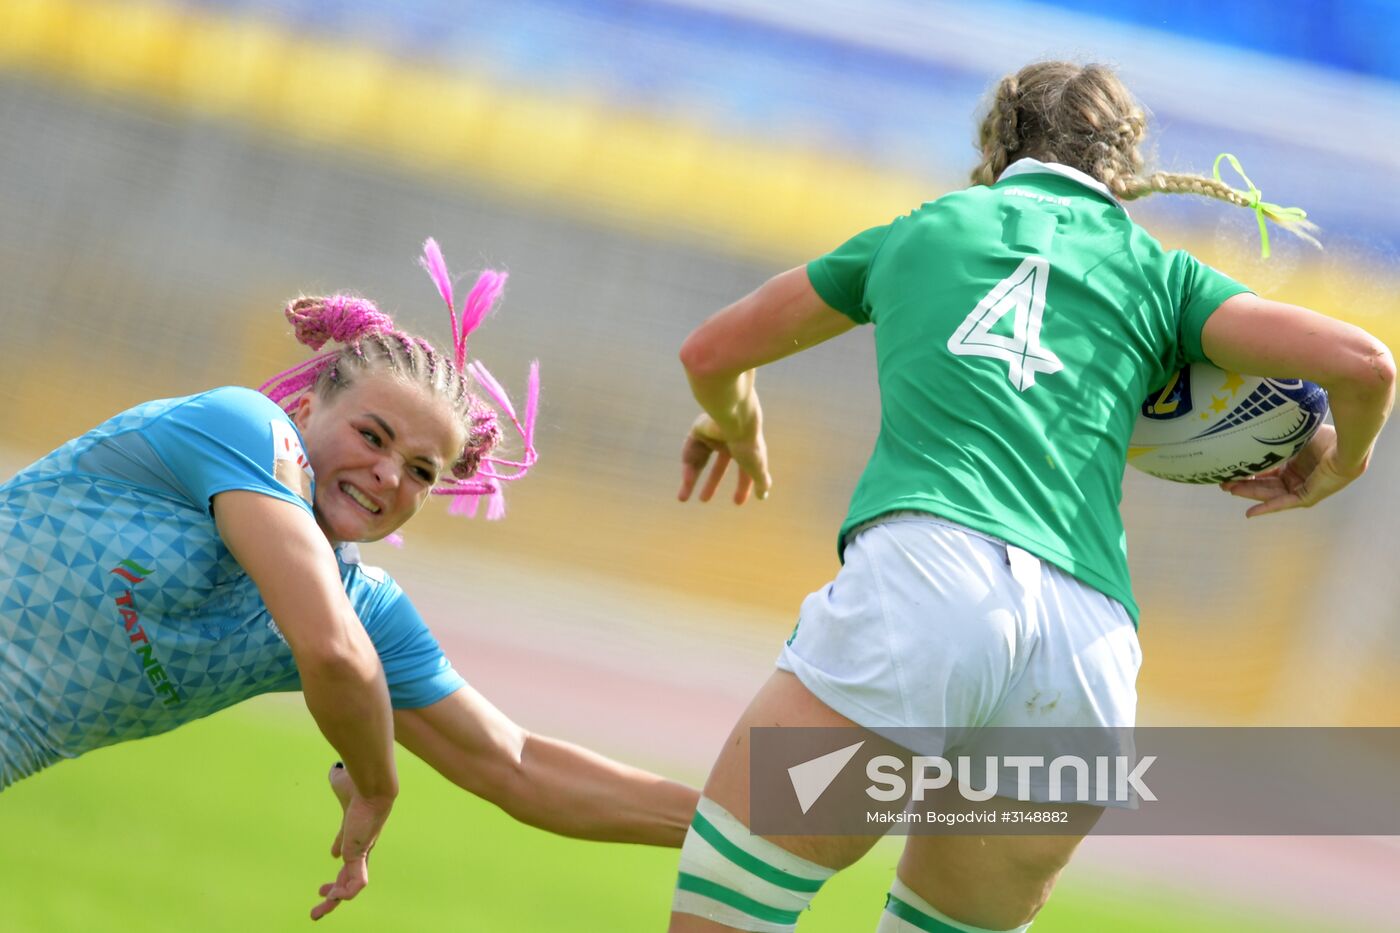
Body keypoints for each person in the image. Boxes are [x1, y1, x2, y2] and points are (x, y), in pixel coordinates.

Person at [667, 61, 1396, 932]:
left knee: (729, 910)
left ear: (996, 144)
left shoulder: (925, 229)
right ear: (1122, 166)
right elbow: (1365, 364)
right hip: (1086, 656)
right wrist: (1342, 465)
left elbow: (711, 354)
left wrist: (738, 423)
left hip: (925, 592)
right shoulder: (1158, 271)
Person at [0, 239, 698, 921]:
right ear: (306, 410)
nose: (391, 474)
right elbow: (333, 652)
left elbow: (516, 765)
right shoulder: (243, 429)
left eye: (422, 471)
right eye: (373, 436)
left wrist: (760, 820)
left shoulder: (362, 606)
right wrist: (375, 784)